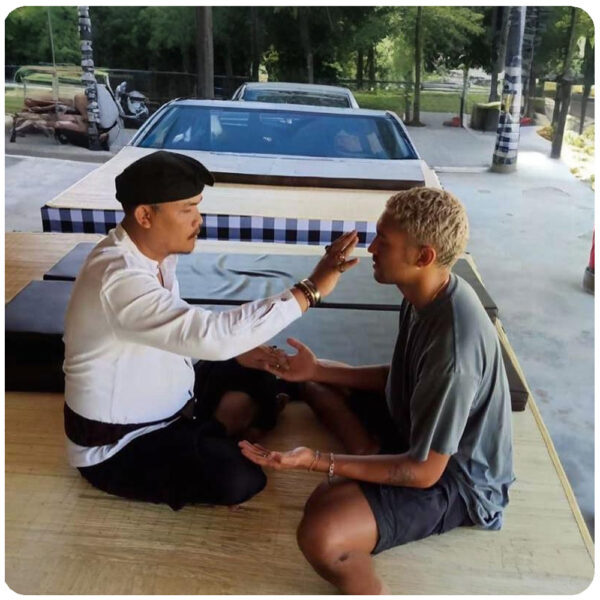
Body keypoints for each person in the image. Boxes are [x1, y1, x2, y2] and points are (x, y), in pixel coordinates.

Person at [240, 187, 515, 594]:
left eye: (383, 241)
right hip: (412, 429)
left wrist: (317, 461)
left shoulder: (453, 349)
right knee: (314, 382)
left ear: (423, 257)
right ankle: (371, 459)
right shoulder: (425, 292)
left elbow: (424, 473)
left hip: (456, 480)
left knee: (322, 532)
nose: (370, 248)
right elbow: (399, 376)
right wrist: (316, 369)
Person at [63, 149, 359, 511]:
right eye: (187, 208)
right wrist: (310, 290)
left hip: (175, 397)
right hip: (122, 444)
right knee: (238, 478)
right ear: (144, 215)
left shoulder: (152, 256)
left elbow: (178, 327)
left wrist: (236, 350)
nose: (198, 219)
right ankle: (225, 429)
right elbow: (208, 335)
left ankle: (225, 425)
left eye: (197, 207)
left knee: (260, 365)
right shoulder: (118, 278)